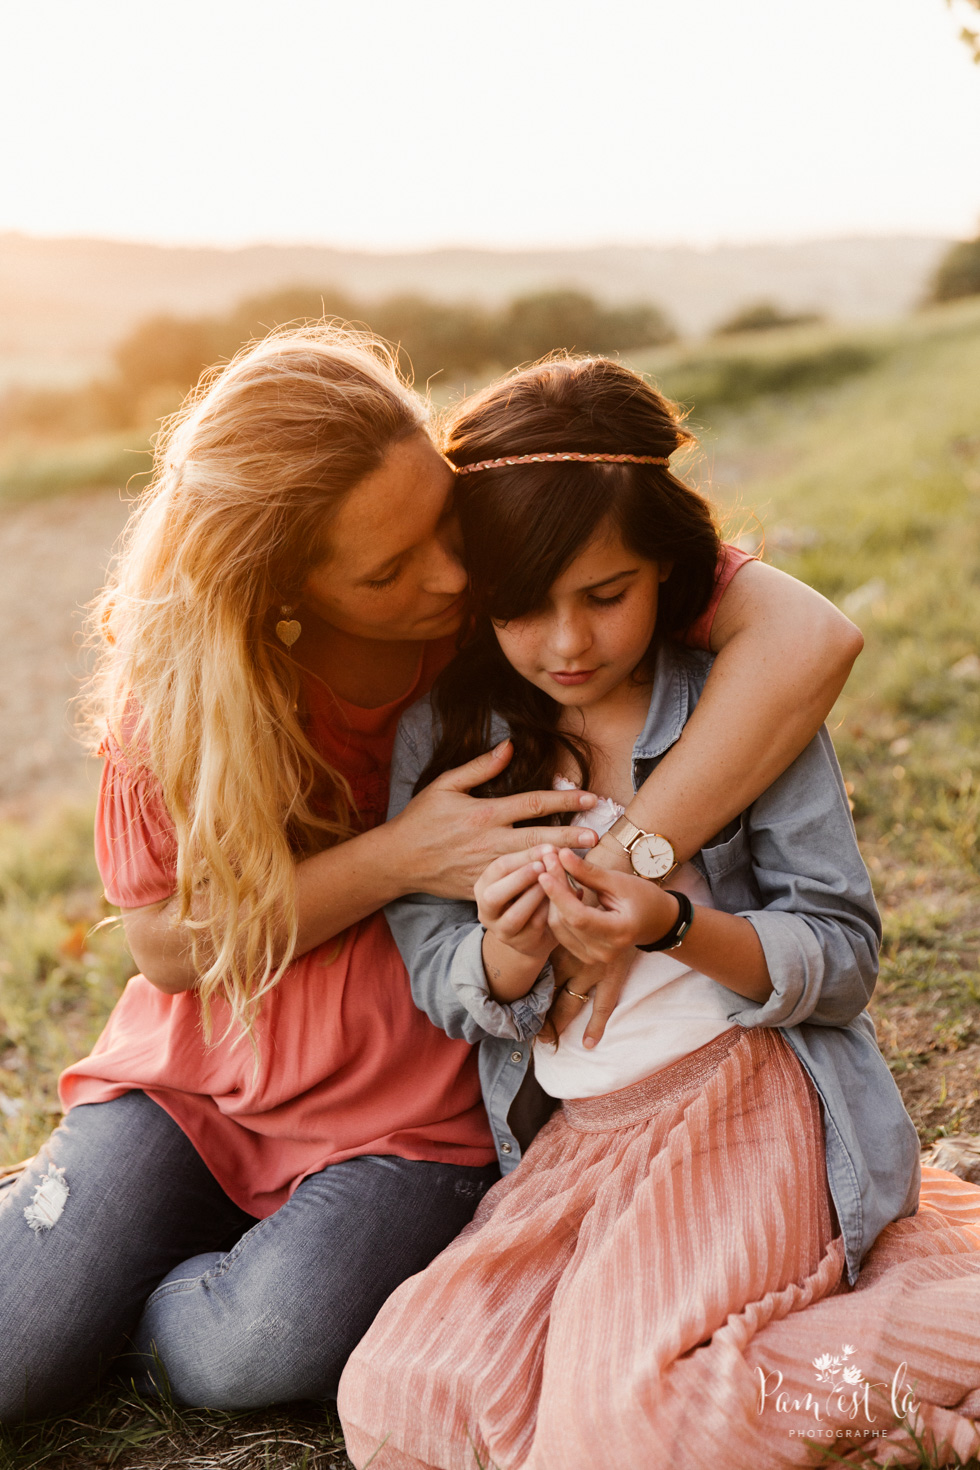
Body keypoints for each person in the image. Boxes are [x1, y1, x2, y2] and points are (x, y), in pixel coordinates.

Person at [0, 327, 864, 1423]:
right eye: (388, 567)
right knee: (11, 1358)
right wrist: (400, 855)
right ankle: (82, 1248)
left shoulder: (516, 602)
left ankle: (126, 1285)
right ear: (279, 587)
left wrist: (614, 872)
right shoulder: (190, 699)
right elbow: (170, 949)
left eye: (440, 522)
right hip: (203, 1076)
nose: (453, 576)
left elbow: (811, 637)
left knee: (258, 1350)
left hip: (413, 1097)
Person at [338, 357, 980, 1470]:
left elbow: (841, 954)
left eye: (605, 594)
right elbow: (441, 976)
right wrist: (504, 952)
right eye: (521, 609)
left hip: (742, 1103)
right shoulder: (453, 738)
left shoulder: (732, 710)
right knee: (399, 1400)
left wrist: (671, 925)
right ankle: (756, 1378)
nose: (566, 644)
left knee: (626, 1436)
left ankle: (901, 1355)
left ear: (668, 573)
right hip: (580, 1142)